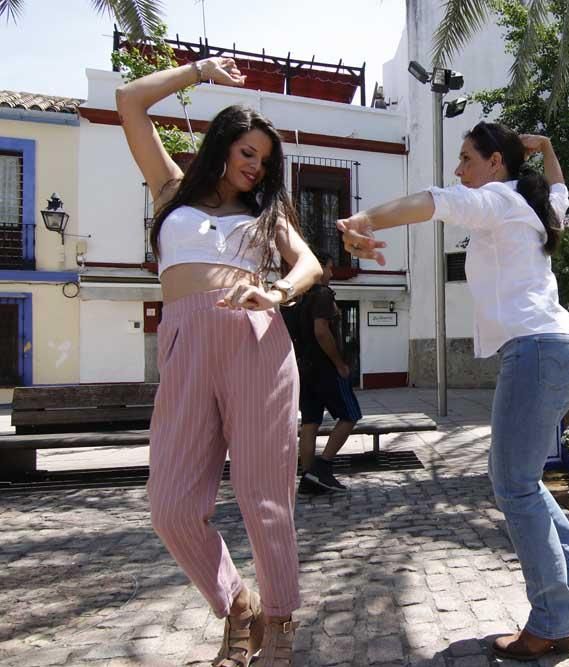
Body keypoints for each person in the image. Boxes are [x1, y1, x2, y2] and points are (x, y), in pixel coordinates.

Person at [337, 122, 569, 661]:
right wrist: (549, 147)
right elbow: (560, 188)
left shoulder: (497, 200)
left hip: (535, 350)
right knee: (519, 481)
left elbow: (431, 201)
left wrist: (364, 218)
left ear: (495, 164)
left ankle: (555, 621)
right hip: (556, 348)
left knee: (513, 485)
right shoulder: (532, 206)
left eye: (466, 158)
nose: (459, 169)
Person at [117, 56, 322, 667]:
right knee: (172, 506)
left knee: (266, 497)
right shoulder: (171, 189)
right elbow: (129, 102)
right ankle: (239, 605)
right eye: (247, 151)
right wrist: (199, 72)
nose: (255, 164)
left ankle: (278, 622)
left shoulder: (267, 214)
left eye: (264, 158)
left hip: (255, 342)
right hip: (184, 346)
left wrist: (279, 293)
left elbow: (308, 264)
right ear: (223, 145)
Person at [292, 250, 362, 493]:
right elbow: (321, 331)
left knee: (310, 422)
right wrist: (339, 364)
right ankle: (322, 467)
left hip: (303, 369)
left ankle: (309, 478)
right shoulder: (321, 295)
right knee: (350, 415)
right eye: (329, 268)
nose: (332, 273)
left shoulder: (296, 297)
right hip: (325, 369)